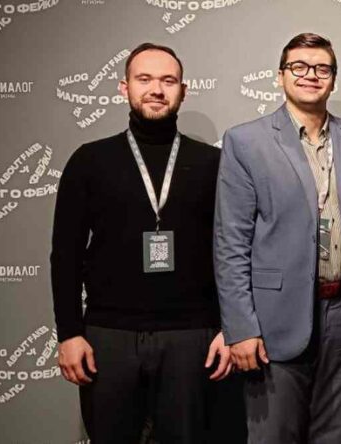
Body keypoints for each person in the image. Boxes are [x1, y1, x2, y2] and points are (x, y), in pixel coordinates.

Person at [214, 32, 341, 443]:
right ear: (280, 76)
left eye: (322, 68)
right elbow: (231, 245)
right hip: (273, 319)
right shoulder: (245, 142)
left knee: (335, 436)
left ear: (333, 79)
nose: (311, 75)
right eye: (299, 66)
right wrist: (241, 328)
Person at [51, 42, 230, 443]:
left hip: (191, 336)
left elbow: (230, 253)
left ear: (183, 90)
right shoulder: (89, 161)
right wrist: (69, 333)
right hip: (108, 335)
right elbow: (65, 256)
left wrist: (227, 327)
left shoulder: (212, 164)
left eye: (168, 80)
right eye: (144, 79)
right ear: (124, 87)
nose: (156, 89)